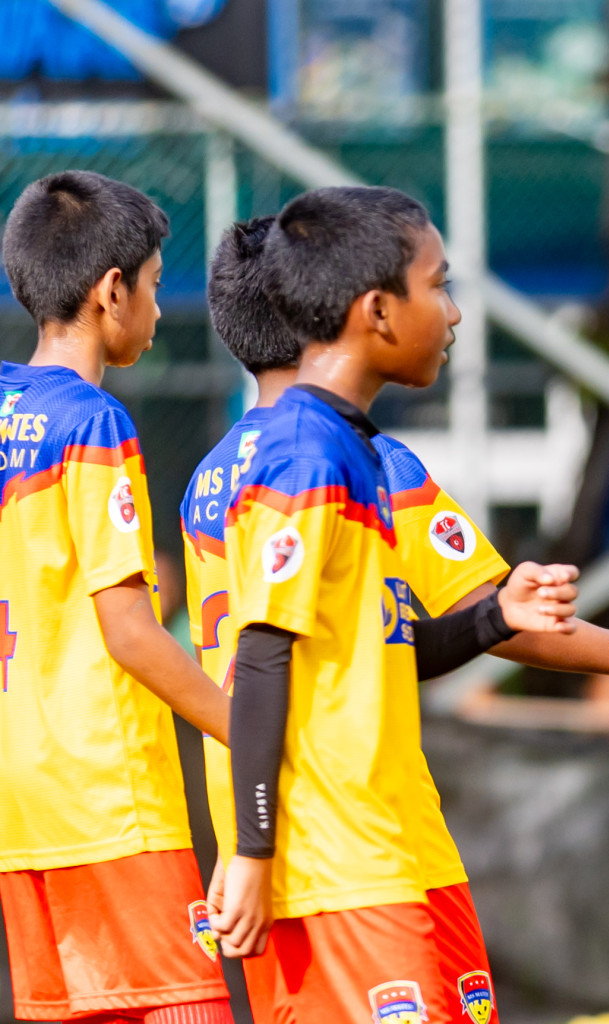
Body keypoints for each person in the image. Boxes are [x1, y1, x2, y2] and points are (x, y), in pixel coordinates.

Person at [184, 213, 609, 1021]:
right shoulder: (312, 461)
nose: (453, 311)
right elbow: (262, 657)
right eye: (438, 285)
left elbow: (389, 643)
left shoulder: (266, 467)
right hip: (336, 859)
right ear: (350, 306)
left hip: (399, 846)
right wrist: (250, 848)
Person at [0, 171, 235, 1023]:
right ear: (110, 292)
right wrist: (243, 728)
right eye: (156, 286)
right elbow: (130, 631)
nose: (160, 311)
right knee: (185, 1005)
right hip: (107, 795)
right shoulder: (94, 423)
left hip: (18, 806)